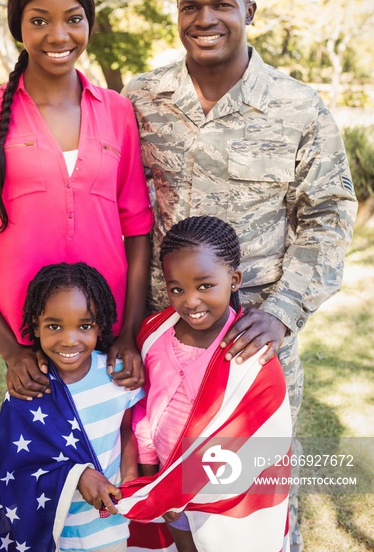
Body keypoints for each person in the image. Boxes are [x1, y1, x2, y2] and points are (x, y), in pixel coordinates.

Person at [122, 0, 358, 551]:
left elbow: (329, 217)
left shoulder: (298, 107)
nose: (206, 18)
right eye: (190, 6)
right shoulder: (142, 101)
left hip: (253, 352)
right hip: (163, 347)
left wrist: (282, 312)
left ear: (250, 9)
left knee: (253, 508)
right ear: (176, 15)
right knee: (162, 497)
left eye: (222, 4)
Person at [0, 0, 153, 400]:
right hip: (31, 347)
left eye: (74, 19)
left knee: (118, 460)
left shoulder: (117, 112)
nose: (59, 35)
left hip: (107, 338)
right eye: (40, 20)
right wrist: (11, 351)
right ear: (19, 26)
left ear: (88, 24)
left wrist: (128, 333)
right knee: (44, 464)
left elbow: (137, 230)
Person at [117, 216, 292, 552]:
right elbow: (145, 404)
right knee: (184, 545)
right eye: (176, 289)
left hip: (221, 491)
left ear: (234, 280)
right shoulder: (155, 336)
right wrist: (151, 466)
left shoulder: (249, 355)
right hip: (168, 481)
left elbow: (263, 438)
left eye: (205, 286)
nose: (190, 301)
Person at [0, 261, 144, 552]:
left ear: (100, 325)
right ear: (35, 325)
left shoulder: (116, 376)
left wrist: (130, 477)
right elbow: (14, 470)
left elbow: (127, 429)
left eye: (85, 326)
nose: (70, 339)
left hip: (108, 527)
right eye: (54, 326)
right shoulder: (29, 387)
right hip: (50, 530)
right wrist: (77, 476)